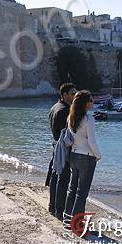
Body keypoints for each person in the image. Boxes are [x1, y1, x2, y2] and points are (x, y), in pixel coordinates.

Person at [64, 90, 101, 220]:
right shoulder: (89, 119)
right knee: (82, 193)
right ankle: (77, 224)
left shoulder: (71, 117)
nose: (93, 102)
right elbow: (91, 141)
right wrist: (98, 155)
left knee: (72, 189)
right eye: (91, 100)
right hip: (86, 157)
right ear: (85, 104)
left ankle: (67, 219)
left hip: (74, 155)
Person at [47, 83, 77, 220]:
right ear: (64, 95)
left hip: (55, 146)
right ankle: (59, 210)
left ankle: (52, 206)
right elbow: (68, 134)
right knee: (63, 179)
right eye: (72, 93)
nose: (75, 96)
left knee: (55, 176)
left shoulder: (54, 107)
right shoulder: (65, 110)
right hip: (63, 148)